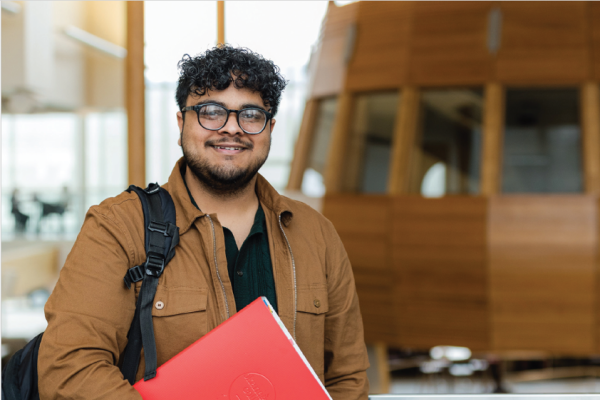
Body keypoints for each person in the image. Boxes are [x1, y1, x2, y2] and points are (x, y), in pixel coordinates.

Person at [38, 46, 370, 400]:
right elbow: (70, 369)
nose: (231, 128)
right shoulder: (118, 227)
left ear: (270, 128)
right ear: (182, 123)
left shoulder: (316, 234)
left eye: (251, 115)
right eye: (211, 112)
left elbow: (347, 379)